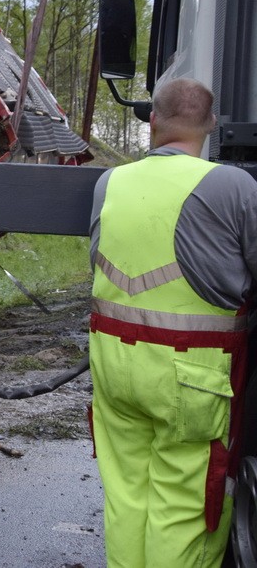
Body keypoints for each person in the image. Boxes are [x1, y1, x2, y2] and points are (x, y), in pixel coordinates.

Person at [88, 77, 257, 567]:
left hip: (115, 367)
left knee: (125, 495)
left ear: (153, 120)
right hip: (193, 378)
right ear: (210, 125)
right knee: (185, 505)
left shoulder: (110, 182)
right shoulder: (232, 185)